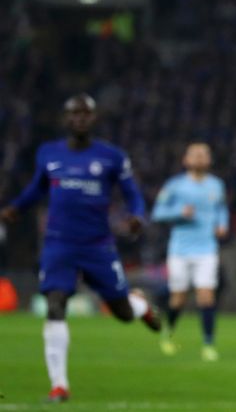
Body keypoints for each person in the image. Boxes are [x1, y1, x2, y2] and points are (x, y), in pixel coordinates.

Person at [0, 94, 161, 403]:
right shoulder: (49, 154)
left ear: (94, 119)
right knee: (55, 304)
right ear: (66, 119)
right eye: (74, 114)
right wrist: (16, 208)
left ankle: (139, 306)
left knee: (123, 313)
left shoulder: (112, 157)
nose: (80, 119)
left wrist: (137, 216)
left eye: (86, 114)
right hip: (59, 244)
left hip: (98, 246)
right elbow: (37, 188)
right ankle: (59, 385)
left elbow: (133, 194)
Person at [151, 142, 229, 361]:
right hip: (180, 249)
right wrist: (179, 212)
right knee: (179, 298)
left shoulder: (216, 185)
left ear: (209, 159)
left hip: (207, 249)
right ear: (186, 160)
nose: (200, 158)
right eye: (195, 154)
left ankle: (208, 344)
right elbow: (158, 213)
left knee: (206, 296)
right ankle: (168, 332)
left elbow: (221, 209)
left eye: (204, 154)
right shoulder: (175, 186)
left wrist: (223, 224)